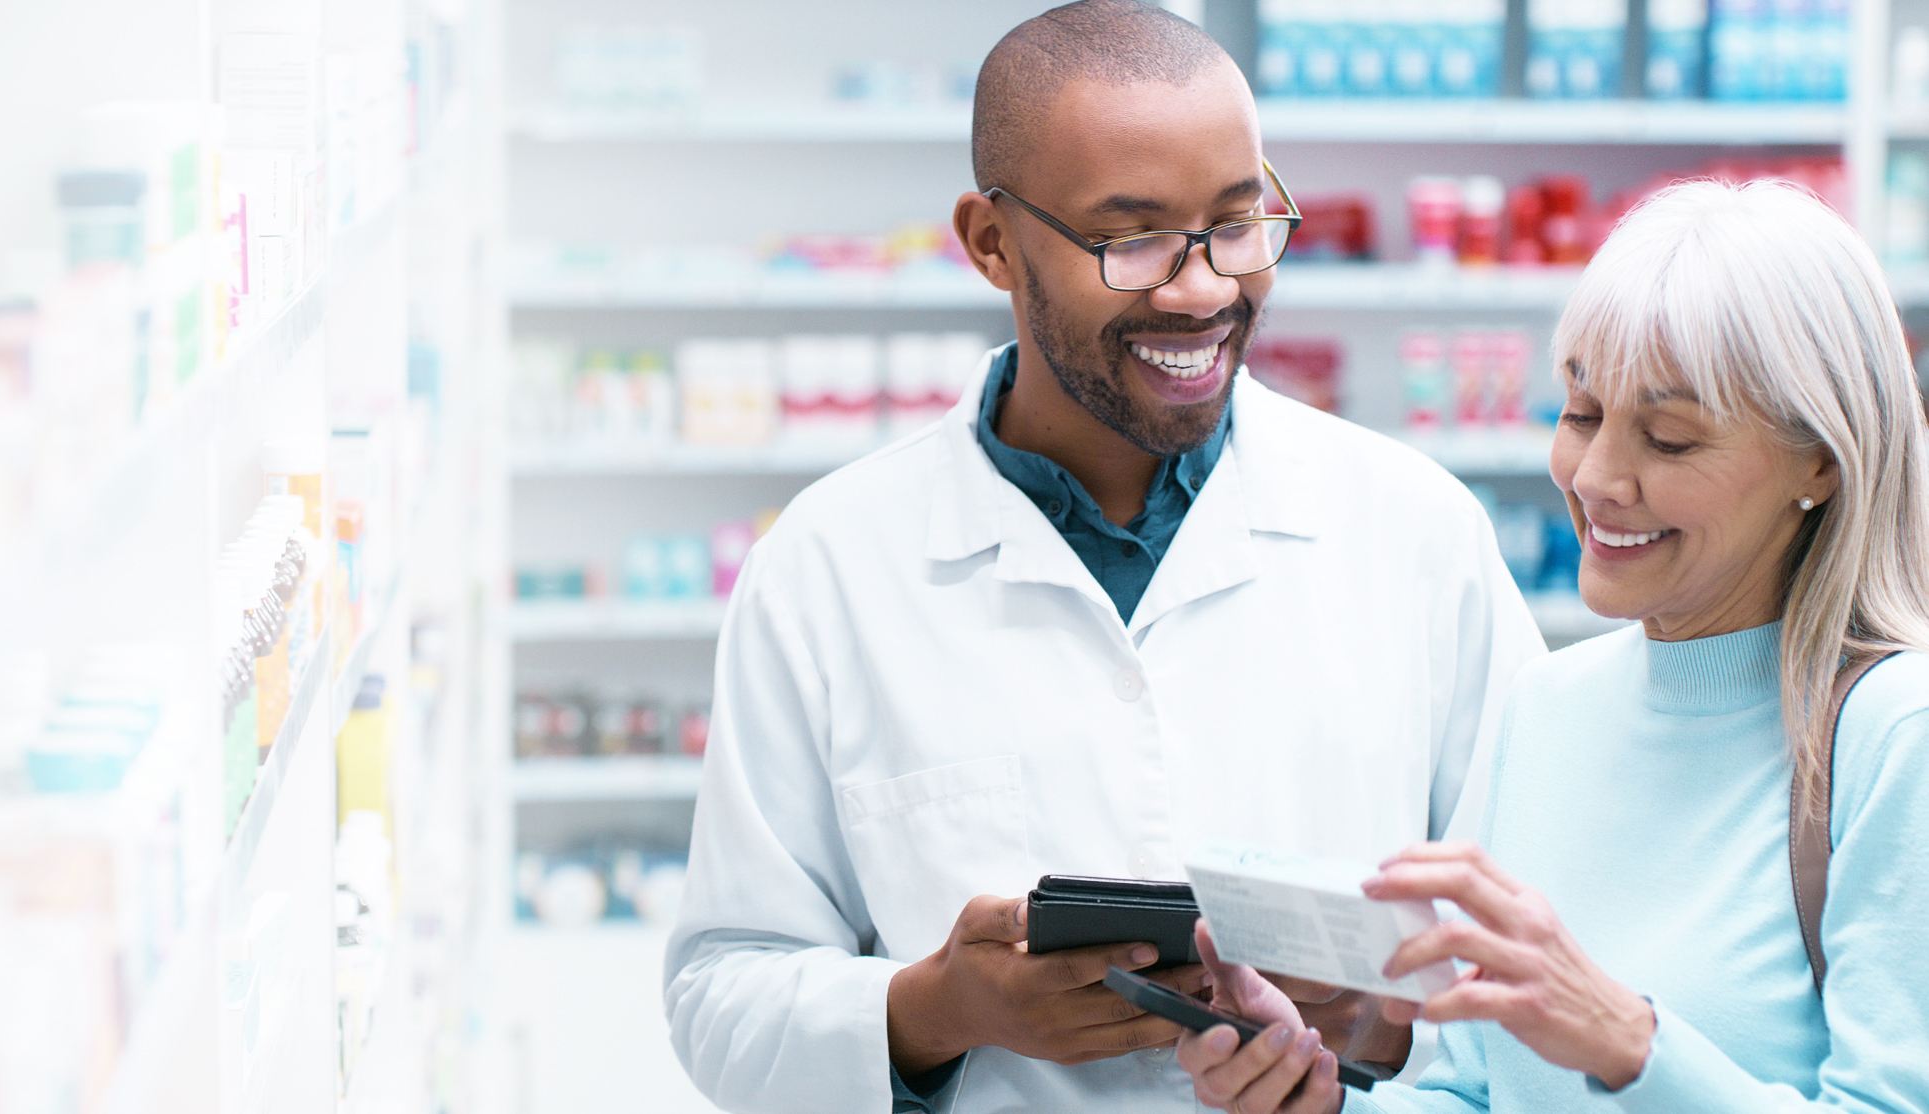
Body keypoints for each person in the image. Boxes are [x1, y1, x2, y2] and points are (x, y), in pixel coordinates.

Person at [662, 3, 1545, 1111]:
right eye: (1131, 240)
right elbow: (722, 988)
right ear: (991, 243)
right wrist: (941, 1006)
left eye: (1236, 224)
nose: (1203, 289)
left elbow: (1544, 941)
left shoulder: (1417, 531)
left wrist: (1374, 1026)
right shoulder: (830, 568)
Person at [1176, 178, 1929, 1114]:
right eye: (1580, 415)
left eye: (1669, 438)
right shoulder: (1546, 707)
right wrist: (1317, 1102)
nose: (1599, 477)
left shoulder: (1896, 738)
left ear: (1821, 458)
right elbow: (1476, 1095)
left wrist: (1626, 1042)